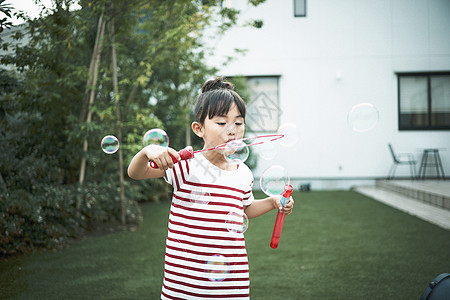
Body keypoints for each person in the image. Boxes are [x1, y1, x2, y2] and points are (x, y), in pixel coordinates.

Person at [128, 77, 294, 299]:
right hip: (184, 285)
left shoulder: (242, 173)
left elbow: (245, 210)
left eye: (238, 122)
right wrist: (147, 151)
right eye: (221, 122)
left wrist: (273, 202)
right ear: (199, 129)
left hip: (232, 285)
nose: (232, 130)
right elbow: (136, 173)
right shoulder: (185, 166)